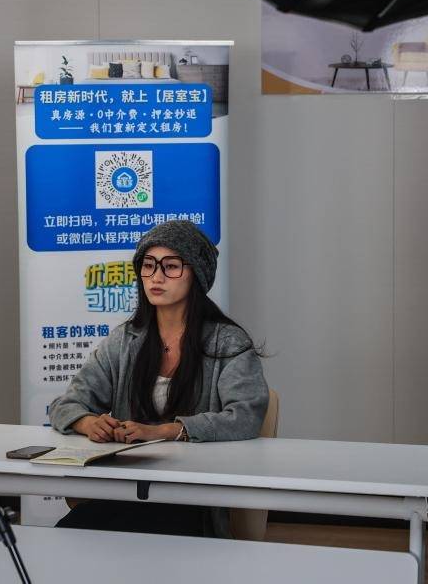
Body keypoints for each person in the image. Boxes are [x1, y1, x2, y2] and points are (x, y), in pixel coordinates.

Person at [48, 219, 269, 537]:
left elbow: (245, 417)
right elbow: (66, 404)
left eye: (171, 267)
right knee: (67, 534)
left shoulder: (228, 342)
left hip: (194, 496)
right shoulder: (125, 340)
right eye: (148, 265)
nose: (156, 277)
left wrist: (164, 431)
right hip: (127, 488)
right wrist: (87, 422)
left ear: (196, 274)